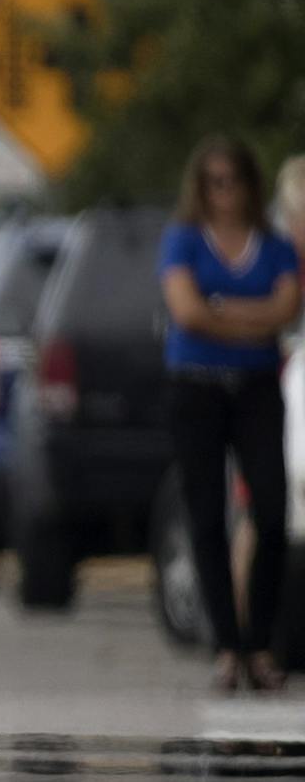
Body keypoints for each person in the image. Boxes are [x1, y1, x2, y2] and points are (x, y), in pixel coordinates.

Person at [157, 139, 298, 693]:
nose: (223, 193)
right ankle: (226, 645)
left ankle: (260, 641)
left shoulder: (275, 245)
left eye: (233, 180)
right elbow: (186, 311)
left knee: (269, 509)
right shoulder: (183, 241)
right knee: (206, 514)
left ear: (249, 185)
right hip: (196, 389)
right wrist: (251, 320)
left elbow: (287, 308)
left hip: (258, 389)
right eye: (212, 182)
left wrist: (221, 312)